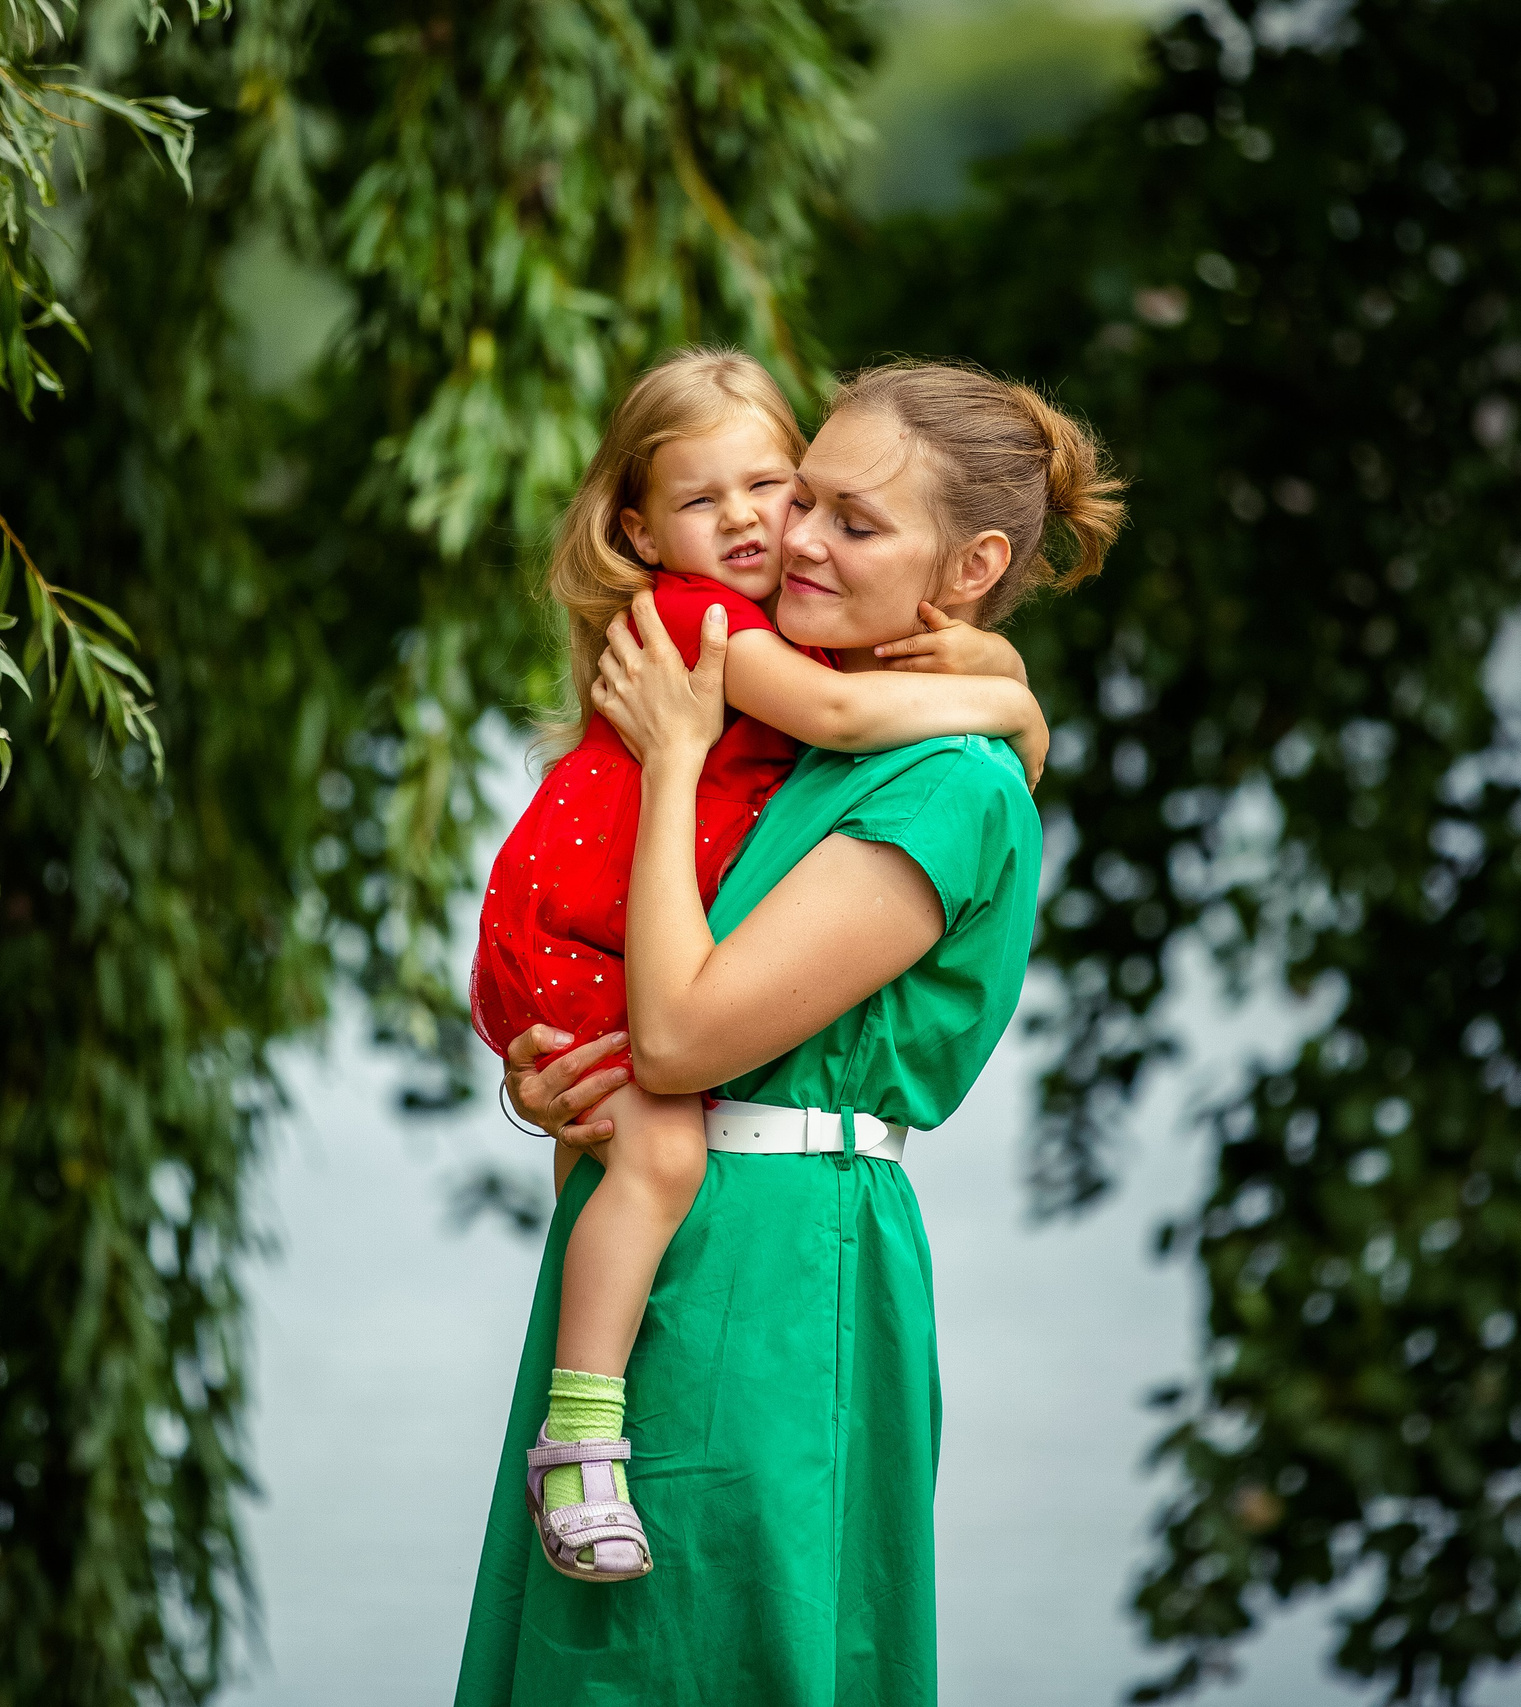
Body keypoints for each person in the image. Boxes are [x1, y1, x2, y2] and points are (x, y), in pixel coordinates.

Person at [456, 359, 1125, 1704]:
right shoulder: (806, 724)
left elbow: (689, 1035)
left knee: (723, 1652)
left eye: (851, 522)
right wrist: (548, 1077)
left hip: (774, 1267)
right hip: (665, 1232)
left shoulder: (945, 780)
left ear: (975, 560)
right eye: (800, 497)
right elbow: (652, 989)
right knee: (592, 1663)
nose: (795, 538)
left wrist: (677, 759)